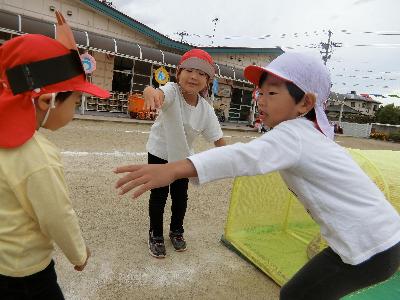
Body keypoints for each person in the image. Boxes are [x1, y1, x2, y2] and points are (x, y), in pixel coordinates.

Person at [115, 52, 400, 299]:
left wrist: (173, 168)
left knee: (297, 295)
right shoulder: (308, 134)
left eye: (272, 93)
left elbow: (242, 155)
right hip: (378, 240)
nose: (261, 100)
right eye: (260, 93)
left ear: (305, 104)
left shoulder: (294, 133)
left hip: (371, 246)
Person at [0, 12, 110, 300]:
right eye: (75, 100)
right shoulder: (36, 155)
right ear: (47, 100)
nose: (75, 111)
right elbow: (56, 214)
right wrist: (78, 252)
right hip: (25, 273)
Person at [141, 49, 226, 258]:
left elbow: (218, 138)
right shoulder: (172, 90)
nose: (194, 76)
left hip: (182, 157)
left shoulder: (206, 110)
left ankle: (176, 231)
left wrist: (232, 158)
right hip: (160, 151)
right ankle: (156, 234)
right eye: (189, 70)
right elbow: (157, 93)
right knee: (159, 195)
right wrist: (150, 92)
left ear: (208, 81)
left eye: (202, 73)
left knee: (180, 197)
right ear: (178, 73)